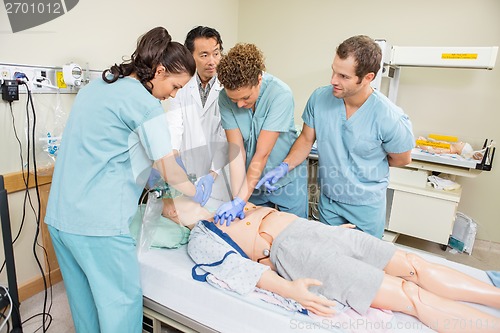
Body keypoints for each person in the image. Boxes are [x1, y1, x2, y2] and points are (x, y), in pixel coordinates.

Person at [44, 27, 199, 333]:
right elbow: (167, 165)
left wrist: (161, 184)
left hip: (61, 219)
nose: (174, 95)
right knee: (121, 307)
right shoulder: (145, 103)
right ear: (159, 70)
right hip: (98, 227)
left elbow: (116, 154)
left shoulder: (97, 86)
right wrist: (196, 189)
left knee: (85, 306)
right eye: (175, 86)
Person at [163, 196, 500, 333]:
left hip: (316, 231)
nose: (185, 200)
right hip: (297, 254)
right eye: (175, 204)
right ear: (176, 218)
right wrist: (289, 289)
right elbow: (239, 270)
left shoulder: (228, 203)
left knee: (414, 264)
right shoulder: (202, 238)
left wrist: (330, 230)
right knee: (409, 294)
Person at [257, 35, 415, 238]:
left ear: (368, 77)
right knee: (329, 257)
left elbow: (402, 158)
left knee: (364, 261)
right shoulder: (320, 99)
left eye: (344, 76)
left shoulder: (389, 116)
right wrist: (284, 166)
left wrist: (362, 168)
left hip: (365, 205)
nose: (333, 81)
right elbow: (306, 140)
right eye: (334, 71)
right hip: (329, 201)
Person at [214, 43, 308, 226]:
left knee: (293, 233)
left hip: (286, 181)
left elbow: (262, 153)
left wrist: (240, 200)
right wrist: (239, 199)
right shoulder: (224, 99)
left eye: (245, 98)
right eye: (234, 100)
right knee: (254, 231)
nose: (239, 104)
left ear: (258, 80)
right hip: (252, 183)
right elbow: (237, 152)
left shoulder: (280, 94)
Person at [164, 26, 228, 202]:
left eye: (216, 53)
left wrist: (212, 173)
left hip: (219, 178)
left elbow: (226, 137)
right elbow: (175, 124)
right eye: (204, 55)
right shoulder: (182, 86)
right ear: (190, 56)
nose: (212, 61)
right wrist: (173, 157)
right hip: (188, 171)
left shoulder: (228, 88)